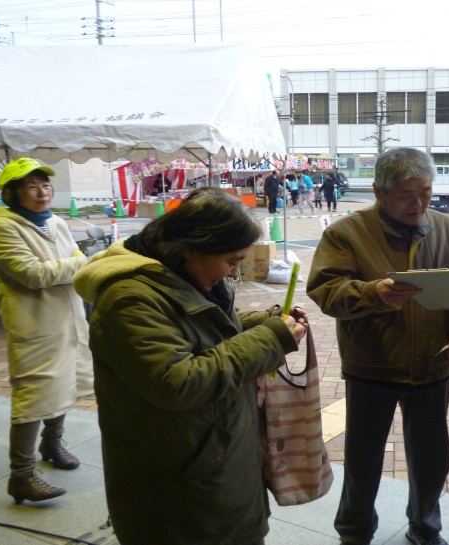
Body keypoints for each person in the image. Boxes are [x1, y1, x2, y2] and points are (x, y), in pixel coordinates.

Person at [72, 187, 307, 545]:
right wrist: (271, 340)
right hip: (179, 488)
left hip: (215, 462)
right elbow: (178, 381)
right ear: (190, 248)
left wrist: (264, 322)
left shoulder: (183, 278)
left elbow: (202, 328)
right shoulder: (130, 299)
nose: (234, 271)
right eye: (231, 260)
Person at [307, 147, 449, 545]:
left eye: (424, 191)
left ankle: (425, 527)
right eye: (405, 194)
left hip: (434, 367)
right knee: (363, 461)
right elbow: (325, 292)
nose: (417, 203)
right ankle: (354, 531)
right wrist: (372, 292)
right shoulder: (347, 233)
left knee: (432, 459)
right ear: (379, 192)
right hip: (372, 366)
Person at [0, 158, 94, 504]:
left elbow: (74, 260)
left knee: (65, 383)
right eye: (31, 186)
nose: (41, 192)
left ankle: (52, 444)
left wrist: (87, 264)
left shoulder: (57, 223)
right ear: (13, 193)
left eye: (45, 185)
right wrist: (90, 261)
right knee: (33, 395)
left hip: (69, 319)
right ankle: (21, 475)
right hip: (35, 326)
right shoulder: (2, 227)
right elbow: (33, 274)